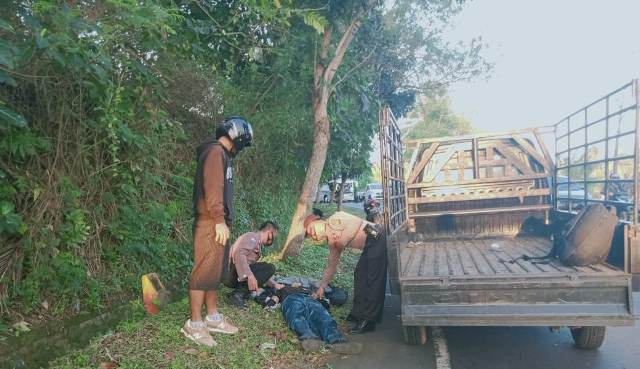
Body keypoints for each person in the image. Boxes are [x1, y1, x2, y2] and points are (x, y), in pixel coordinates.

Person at [182, 116, 253, 347]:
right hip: (210, 222)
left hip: (218, 223)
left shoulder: (222, 155)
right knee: (203, 271)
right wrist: (219, 220)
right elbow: (214, 188)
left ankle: (211, 317)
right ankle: (193, 324)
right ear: (238, 136)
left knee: (214, 271)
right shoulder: (215, 152)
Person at [303, 209, 386, 334]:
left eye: (310, 230)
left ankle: (369, 321)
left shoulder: (333, 220)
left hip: (375, 232)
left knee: (372, 278)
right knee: (360, 275)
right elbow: (331, 265)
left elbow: (357, 222)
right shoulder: (332, 241)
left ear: (317, 221)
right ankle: (357, 314)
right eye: (309, 236)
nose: (312, 235)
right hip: (369, 244)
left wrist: (344, 239)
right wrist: (321, 288)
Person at [275, 284, 362, 354]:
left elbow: (324, 300)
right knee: (297, 317)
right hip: (291, 299)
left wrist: (318, 298)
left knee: (323, 317)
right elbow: (273, 299)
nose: (296, 283)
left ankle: (338, 341)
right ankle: (309, 339)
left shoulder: (307, 289)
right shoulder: (281, 288)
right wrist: (272, 301)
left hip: (309, 299)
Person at [227, 221, 284, 308]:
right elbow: (239, 254)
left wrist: (273, 284)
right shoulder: (253, 237)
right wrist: (250, 275)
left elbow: (256, 272)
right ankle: (237, 295)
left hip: (236, 275)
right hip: (230, 273)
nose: (273, 239)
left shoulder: (257, 244)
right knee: (270, 268)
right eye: (273, 236)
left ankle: (240, 293)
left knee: (265, 268)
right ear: (269, 231)